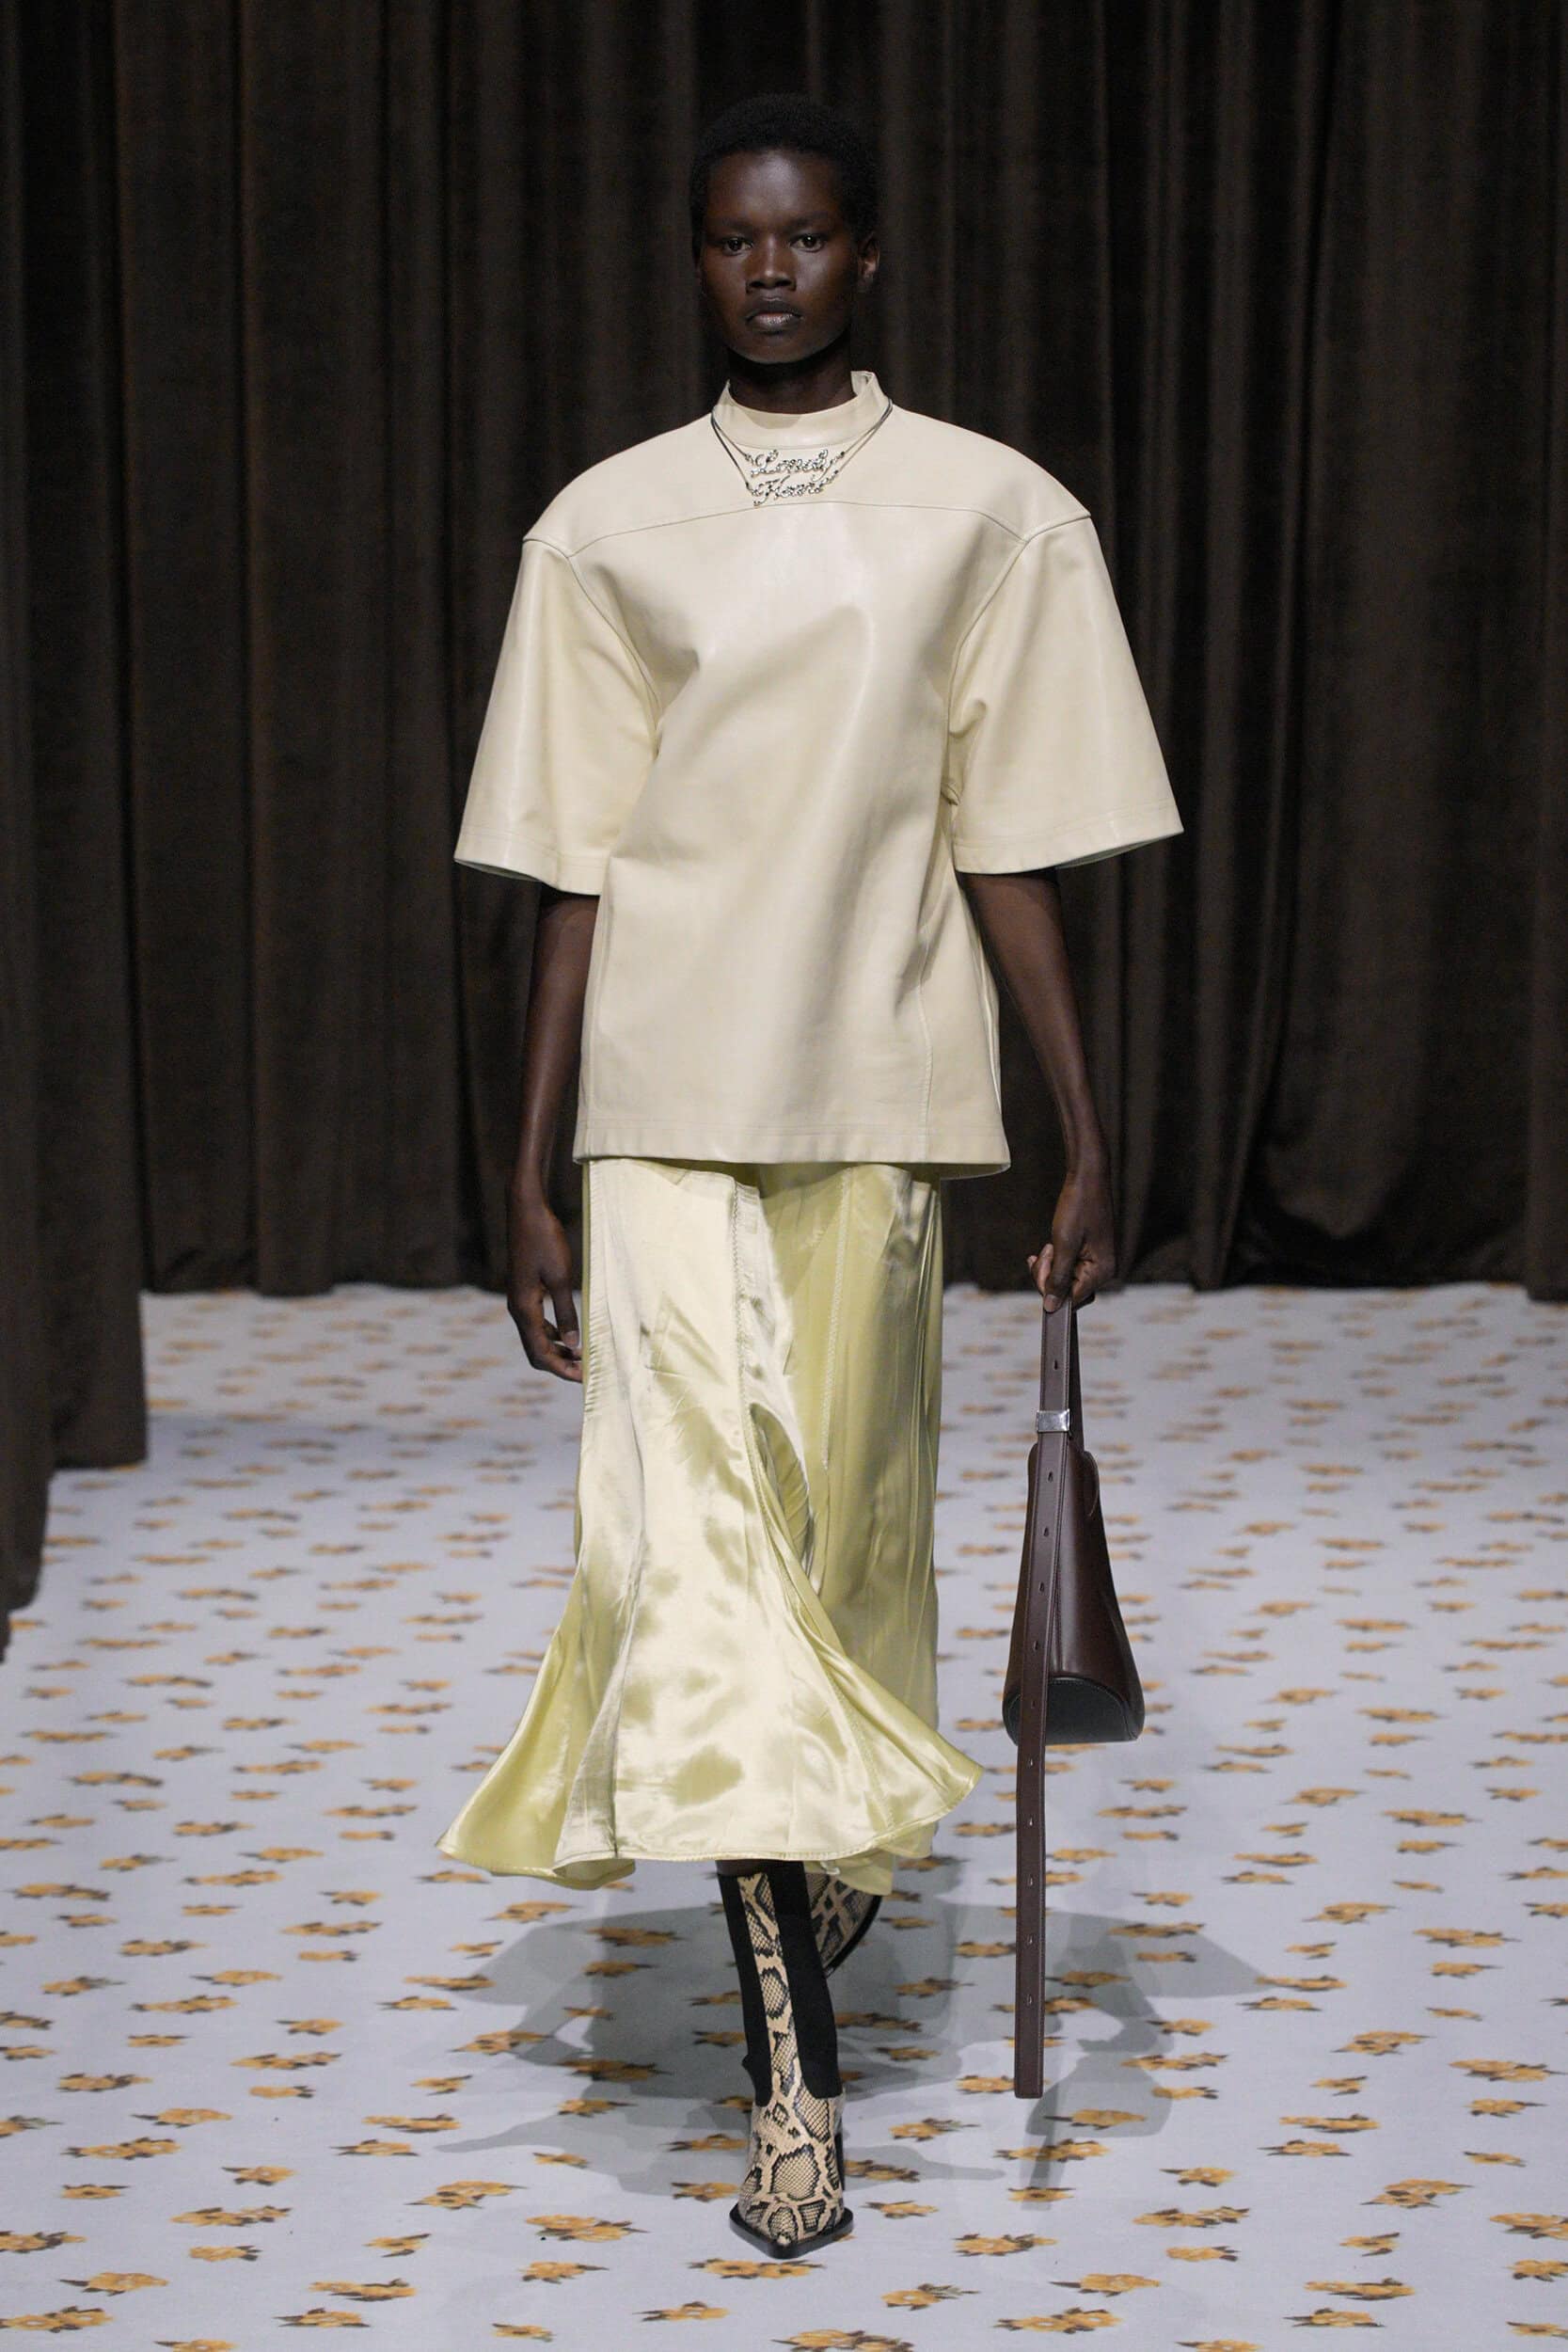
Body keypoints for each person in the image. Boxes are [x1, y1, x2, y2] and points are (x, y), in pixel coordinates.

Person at [436, 91, 1181, 2257]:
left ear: (868, 256)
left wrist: (1087, 1124)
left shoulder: (989, 510)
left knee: (848, 1549)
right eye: (732, 239)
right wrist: (527, 1163)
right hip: (661, 1109)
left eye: (806, 235)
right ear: (696, 262)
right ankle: (799, 2088)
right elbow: (574, 869)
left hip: (872, 1097)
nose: (768, 269)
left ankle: (831, 1854)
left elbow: (1007, 837)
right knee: (707, 1571)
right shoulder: (606, 525)